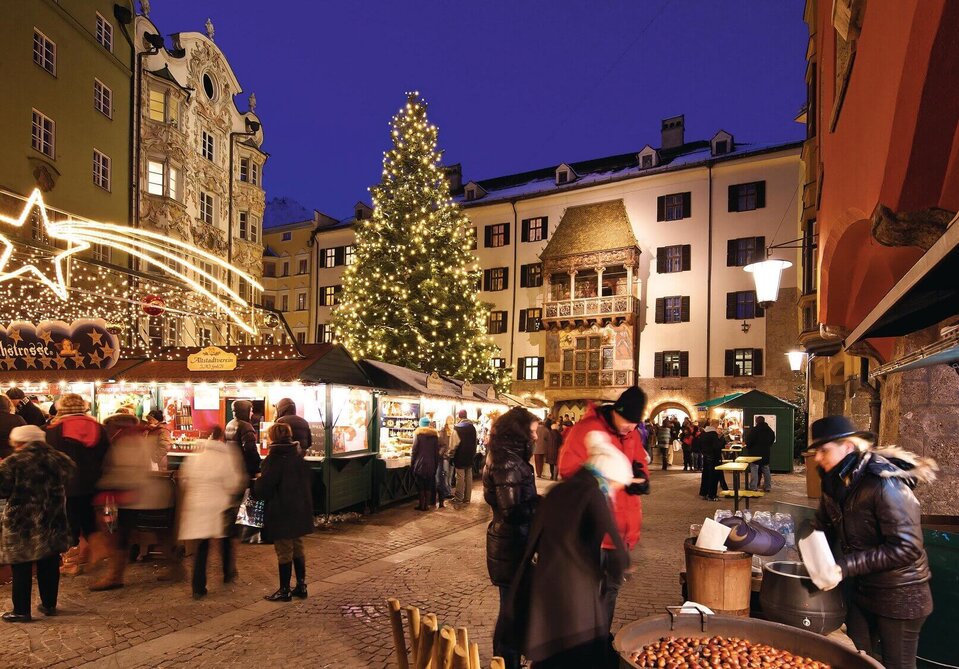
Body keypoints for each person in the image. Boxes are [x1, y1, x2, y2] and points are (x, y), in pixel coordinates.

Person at [808, 416, 935, 669]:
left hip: (901, 596)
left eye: (824, 450)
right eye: (816, 451)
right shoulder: (834, 482)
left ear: (848, 446)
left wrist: (844, 567)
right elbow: (822, 526)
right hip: (863, 591)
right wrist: (806, 549)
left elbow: (907, 547)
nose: (818, 458)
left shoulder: (883, 483)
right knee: (854, 659)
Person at [506, 435, 632, 668]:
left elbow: (536, 527)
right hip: (576, 591)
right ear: (607, 476)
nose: (616, 489)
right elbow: (615, 547)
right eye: (616, 483)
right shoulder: (593, 493)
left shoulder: (559, 489)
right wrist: (620, 567)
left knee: (549, 651)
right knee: (577, 653)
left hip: (546, 582)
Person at [558, 386, 649, 633]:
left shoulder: (632, 435)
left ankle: (600, 638)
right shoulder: (586, 430)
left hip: (623, 533)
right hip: (595, 531)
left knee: (611, 591)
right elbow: (567, 470)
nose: (631, 428)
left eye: (635, 424)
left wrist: (641, 476)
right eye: (628, 421)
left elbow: (640, 462)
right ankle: (582, 642)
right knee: (587, 592)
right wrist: (604, 480)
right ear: (616, 411)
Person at [0, 425, 75, 622]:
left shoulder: (13, 462)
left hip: (21, 521)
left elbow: (2, 489)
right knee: (49, 561)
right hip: (53, 517)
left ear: (20, 442)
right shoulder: (59, 458)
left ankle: (21, 610)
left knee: (21, 564)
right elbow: (71, 477)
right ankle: (49, 604)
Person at [484, 407, 540, 669]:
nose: (536, 436)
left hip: (512, 544)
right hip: (511, 546)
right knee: (511, 612)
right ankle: (506, 663)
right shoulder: (508, 462)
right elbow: (512, 511)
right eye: (533, 431)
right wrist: (543, 505)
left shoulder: (508, 457)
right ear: (520, 432)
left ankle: (508, 660)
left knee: (514, 609)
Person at [45, 394, 112, 576]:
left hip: (66, 485)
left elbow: (49, 459)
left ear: (61, 408)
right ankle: (98, 551)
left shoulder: (53, 430)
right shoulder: (98, 427)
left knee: (69, 523)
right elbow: (107, 454)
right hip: (95, 483)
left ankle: (71, 563)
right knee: (90, 519)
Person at [178, 426, 246, 599]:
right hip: (219, 506)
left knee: (201, 547)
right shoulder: (226, 457)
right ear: (222, 437)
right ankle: (228, 571)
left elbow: (185, 480)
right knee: (224, 540)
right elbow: (233, 484)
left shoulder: (194, 458)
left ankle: (198, 587)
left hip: (197, 506)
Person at [255, 423, 314, 602]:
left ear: (272, 437)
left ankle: (284, 590)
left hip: (282, 511)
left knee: (284, 550)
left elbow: (264, 488)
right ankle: (301, 585)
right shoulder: (298, 457)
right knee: (297, 546)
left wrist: (257, 483)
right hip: (299, 510)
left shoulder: (273, 459)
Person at [226, 400, 261, 483]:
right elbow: (250, 451)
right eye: (251, 411)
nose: (252, 413)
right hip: (244, 469)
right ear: (245, 411)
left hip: (233, 467)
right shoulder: (246, 426)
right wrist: (257, 469)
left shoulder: (230, 424)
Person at [449, 409, 478, 507]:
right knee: (469, 476)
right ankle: (467, 498)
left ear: (459, 417)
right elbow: (475, 441)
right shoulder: (473, 428)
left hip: (460, 455)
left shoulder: (457, 428)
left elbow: (454, 444)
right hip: (470, 455)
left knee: (460, 478)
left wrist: (451, 455)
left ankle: (458, 498)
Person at [410, 417, 440, 511]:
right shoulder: (434, 436)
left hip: (420, 463)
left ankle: (421, 505)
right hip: (431, 463)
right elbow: (436, 452)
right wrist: (436, 464)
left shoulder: (418, 435)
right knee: (428, 484)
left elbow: (414, 450)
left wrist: (412, 462)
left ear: (421, 424)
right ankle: (426, 505)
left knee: (421, 485)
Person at [696, 419, 727, 501]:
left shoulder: (703, 433)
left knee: (706, 475)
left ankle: (703, 493)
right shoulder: (713, 434)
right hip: (714, 458)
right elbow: (717, 446)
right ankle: (712, 495)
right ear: (716, 424)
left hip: (706, 457)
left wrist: (704, 453)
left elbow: (699, 444)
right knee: (713, 477)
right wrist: (721, 439)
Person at [744, 416, 775, 492]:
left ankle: (753, 487)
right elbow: (772, 440)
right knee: (766, 469)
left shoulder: (754, 430)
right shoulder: (770, 430)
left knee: (754, 469)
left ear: (756, 421)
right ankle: (768, 487)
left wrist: (748, 446)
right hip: (765, 452)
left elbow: (749, 441)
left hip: (754, 453)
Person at [436, 415, 455, 502]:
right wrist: (443, 453)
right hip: (445, 456)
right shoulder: (443, 431)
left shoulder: (454, 431)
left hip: (452, 456)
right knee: (446, 474)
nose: (451, 422)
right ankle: (446, 492)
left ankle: (448, 491)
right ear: (446, 421)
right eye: (449, 421)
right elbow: (442, 444)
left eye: (452, 421)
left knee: (450, 474)